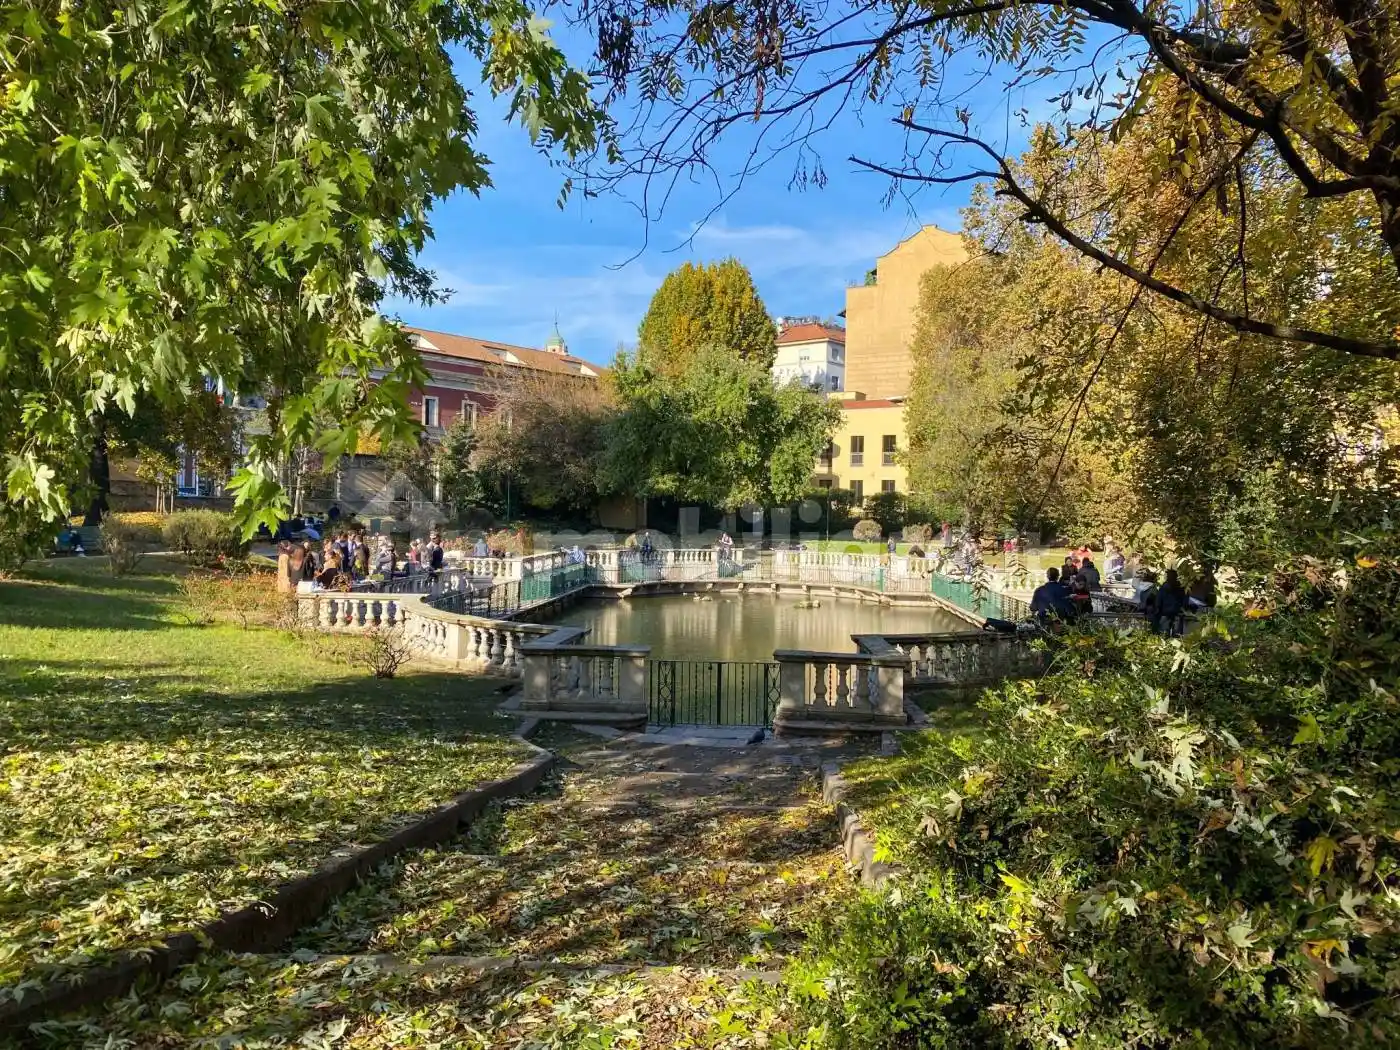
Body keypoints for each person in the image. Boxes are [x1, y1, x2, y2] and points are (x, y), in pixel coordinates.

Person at [1150, 568, 1188, 635]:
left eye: (1168, 576)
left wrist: (1157, 608)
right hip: (1177, 611)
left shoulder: (1165, 587)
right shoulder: (1181, 587)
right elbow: (1185, 600)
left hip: (1167, 611)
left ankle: (1155, 633)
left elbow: (1158, 600)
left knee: (1155, 617)